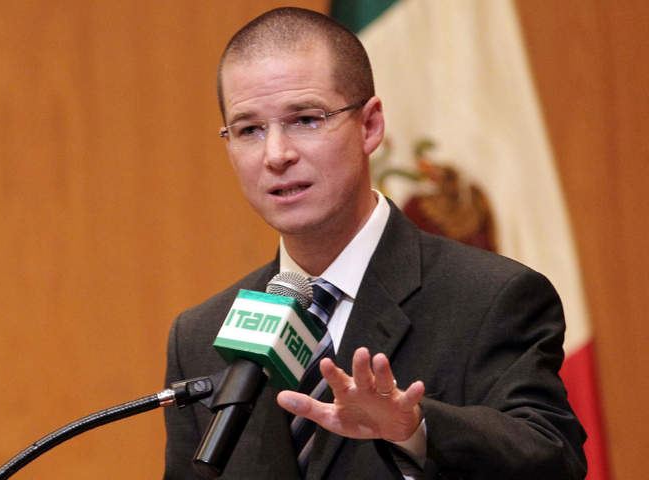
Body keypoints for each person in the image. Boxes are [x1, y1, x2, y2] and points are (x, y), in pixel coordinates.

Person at [163, 7, 586, 480]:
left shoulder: (490, 297)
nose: (276, 155)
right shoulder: (199, 337)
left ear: (370, 126)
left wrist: (415, 428)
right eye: (249, 130)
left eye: (305, 119)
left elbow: (553, 461)